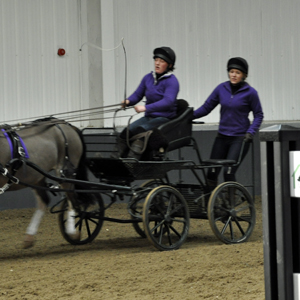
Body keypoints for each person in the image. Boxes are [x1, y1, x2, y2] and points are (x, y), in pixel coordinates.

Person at [193, 57, 264, 188]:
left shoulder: (251, 93)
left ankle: (229, 204)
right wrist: (188, 116)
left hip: (240, 138)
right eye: (231, 71)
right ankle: (210, 203)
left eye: (238, 72)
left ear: (244, 75)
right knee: (212, 171)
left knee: (228, 171)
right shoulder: (221, 88)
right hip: (222, 136)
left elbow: (259, 114)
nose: (234, 75)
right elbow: (206, 107)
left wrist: (251, 132)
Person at [112, 46, 179, 159]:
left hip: (164, 118)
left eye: (161, 61)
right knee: (126, 132)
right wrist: (128, 101)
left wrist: (146, 108)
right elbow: (138, 94)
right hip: (149, 117)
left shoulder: (172, 81)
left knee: (141, 130)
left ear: (170, 65)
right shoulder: (148, 78)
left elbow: (168, 101)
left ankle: (132, 161)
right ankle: (115, 159)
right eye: (156, 60)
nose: (157, 63)